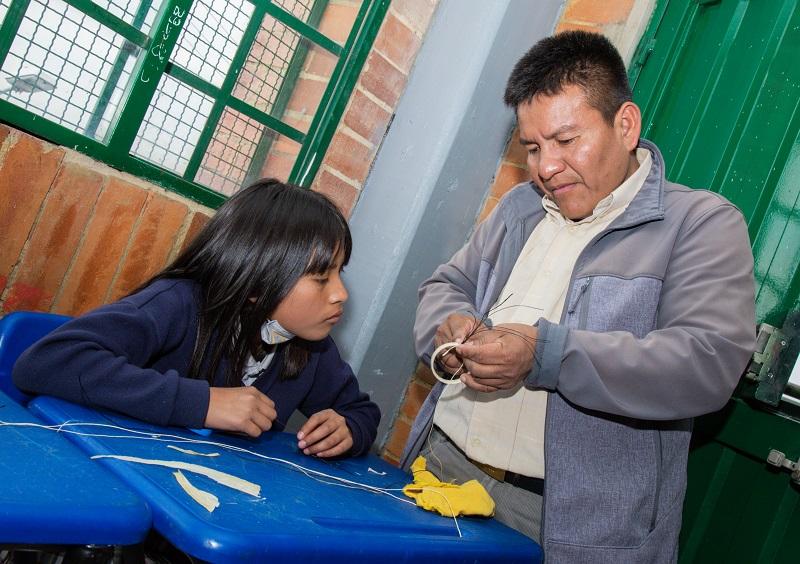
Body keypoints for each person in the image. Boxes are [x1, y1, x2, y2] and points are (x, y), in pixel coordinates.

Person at [401, 31, 755, 562]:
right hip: (440, 464)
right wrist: (453, 324)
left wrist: (545, 355)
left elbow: (706, 363)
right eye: (534, 148)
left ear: (626, 125)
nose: (545, 167)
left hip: (562, 521)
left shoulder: (699, 225)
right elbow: (446, 286)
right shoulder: (520, 207)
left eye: (566, 141)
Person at [13, 179, 380, 458]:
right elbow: (46, 362)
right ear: (256, 282)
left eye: (339, 274)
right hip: (120, 477)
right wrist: (202, 404)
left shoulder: (310, 348)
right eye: (320, 278)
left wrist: (348, 429)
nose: (340, 294)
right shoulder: (179, 303)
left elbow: (361, 412)